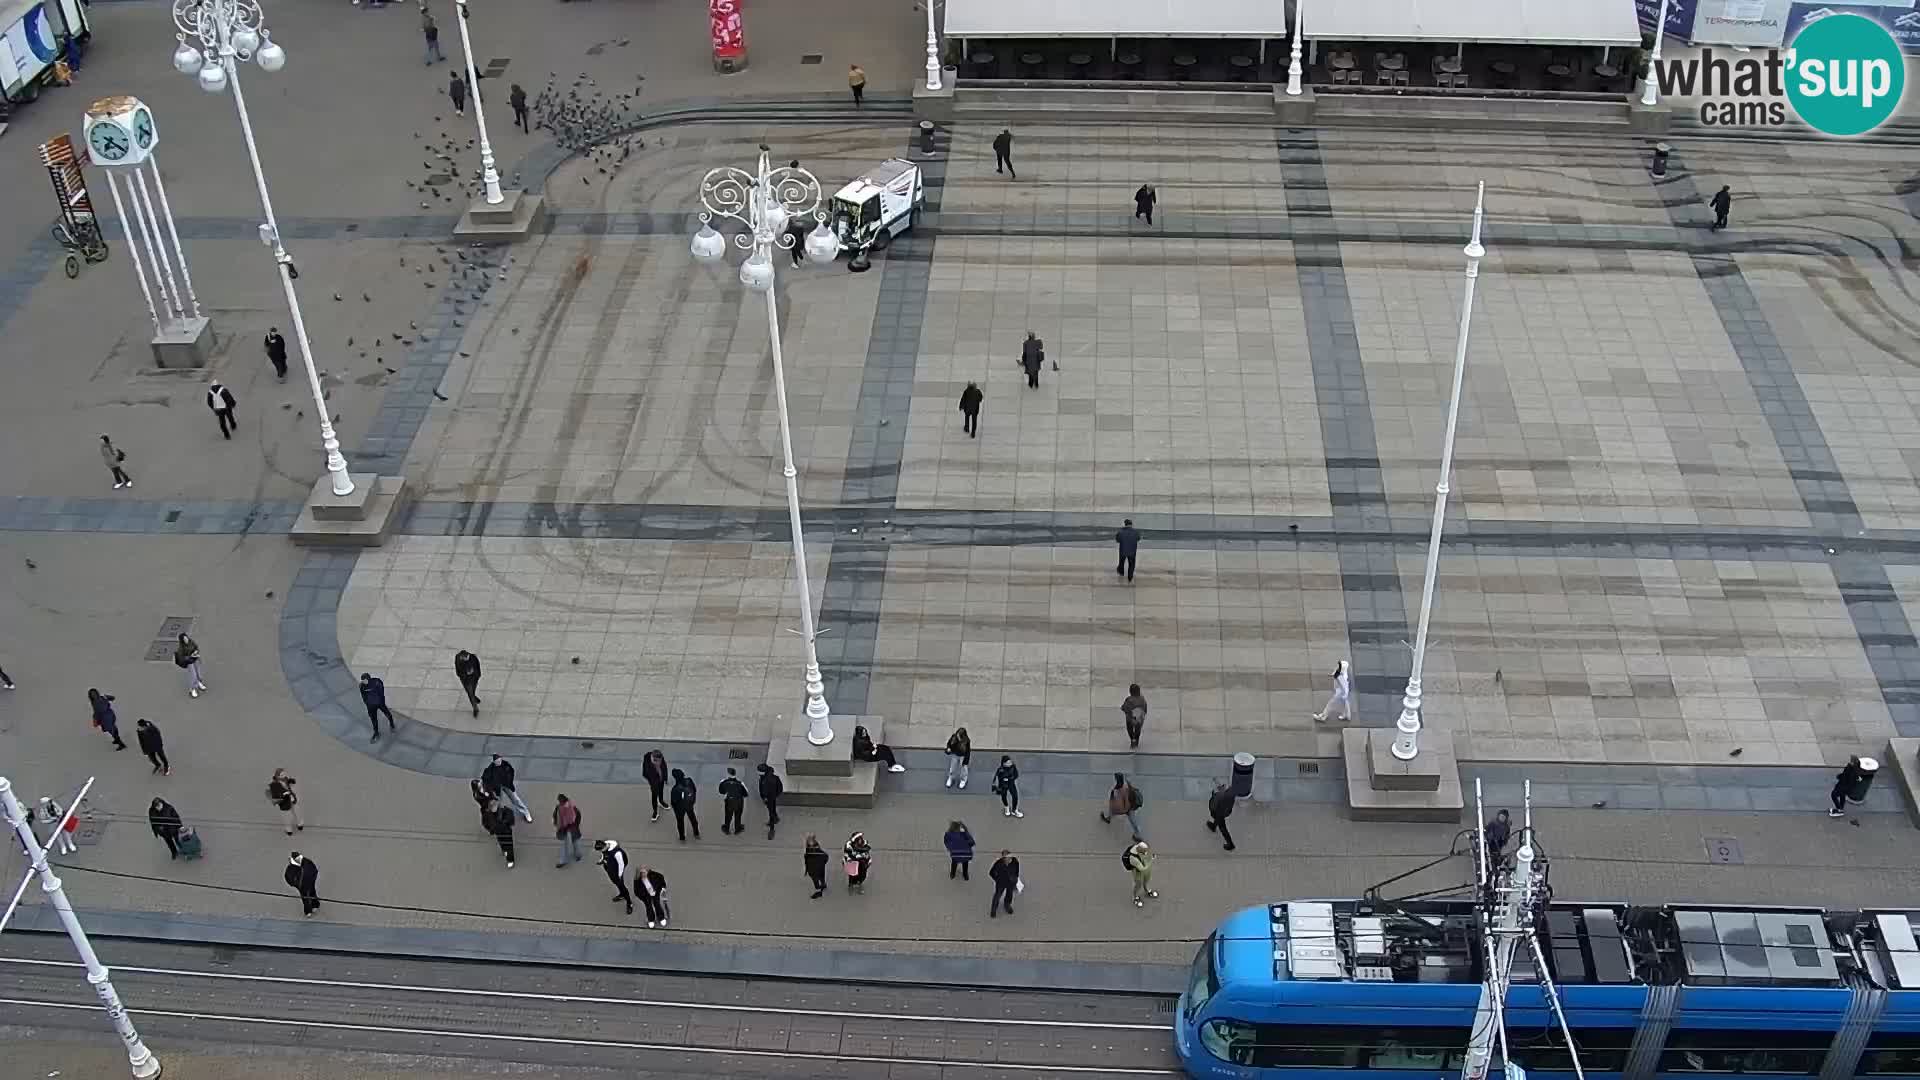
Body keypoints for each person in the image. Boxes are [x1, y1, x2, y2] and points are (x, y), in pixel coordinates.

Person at [483, 753, 533, 822]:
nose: (498, 762)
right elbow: (485, 779)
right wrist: (487, 790)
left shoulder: (506, 764)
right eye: (497, 761)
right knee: (497, 803)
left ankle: (526, 813)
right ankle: (498, 818)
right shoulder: (490, 769)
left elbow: (511, 772)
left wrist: (510, 781)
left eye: (499, 760)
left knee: (516, 799)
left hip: (507, 785)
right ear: (494, 762)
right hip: (497, 788)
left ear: (501, 759)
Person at [1099, 772, 1144, 840]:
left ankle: (1137, 834)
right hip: (1129, 806)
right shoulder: (1125, 784)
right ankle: (1137, 834)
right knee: (1132, 820)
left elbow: (1123, 801)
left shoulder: (1121, 789)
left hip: (1126, 807)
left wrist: (1124, 809)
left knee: (1131, 819)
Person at [596, 839, 632, 914]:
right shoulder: (605, 847)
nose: (601, 851)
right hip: (610, 868)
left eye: (601, 850)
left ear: (605, 846)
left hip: (617, 871)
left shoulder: (616, 853)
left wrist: (619, 875)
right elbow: (603, 854)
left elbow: (621, 864)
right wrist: (602, 860)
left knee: (622, 886)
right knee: (615, 883)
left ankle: (629, 903)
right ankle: (622, 894)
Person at [1312, 659, 1352, 723]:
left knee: (1330, 704)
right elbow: (1335, 673)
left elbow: (1345, 687)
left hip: (1340, 692)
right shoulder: (1342, 672)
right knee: (1345, 703)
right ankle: (1347, 715)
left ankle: (1323, 716)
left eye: (1339, 665)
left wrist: (1345, 694)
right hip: (1340, 692)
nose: (1338, 666)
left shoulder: (1341, 676)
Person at [360, 672, 395, 741]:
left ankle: (392, 724)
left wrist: (381, 702)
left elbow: (382, 693)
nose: (363, 682)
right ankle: (376, 732)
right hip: (371, 706)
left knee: (387, 713)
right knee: (373, 720)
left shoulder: (377, 682)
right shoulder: (362, 686)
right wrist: (367, 704)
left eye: (364, 680)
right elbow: (363, 696)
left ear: (368, 679)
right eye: (362, 680)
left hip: (380, 704)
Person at [267, 768, 303, 835]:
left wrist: (292, 782)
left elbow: (291, 786)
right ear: (278, 776)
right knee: (287, 816)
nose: (284, 775)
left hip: (292, 798)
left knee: (297, 812)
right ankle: (288, 829)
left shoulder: (286, 779)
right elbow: (275, 794)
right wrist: (284, 794)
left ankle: (300, 823)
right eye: (282, 774)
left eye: (284, 773)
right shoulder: (274, 784)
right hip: (285, 802)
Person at [1124, 839, 1157, 907]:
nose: (1146, 852)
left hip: (1145, 865)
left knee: (1147, 879)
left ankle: (1147, 890)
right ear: (1139, 849)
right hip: (1137, 871)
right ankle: (1135, 897)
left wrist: (1146, 859)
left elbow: (1144, 858)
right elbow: (1142, 869)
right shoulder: (1133, 858)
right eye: (1144, 851)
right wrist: (1151, 860)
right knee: (1138, 884)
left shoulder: (1138, 847)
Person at [285, 852, 321, 917]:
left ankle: (315, 904)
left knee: (312, 892)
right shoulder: (291, 867)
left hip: (310, 882)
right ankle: (308, 911)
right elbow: (288, 876)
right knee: (305, 898)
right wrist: (295, 884)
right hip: (301, 886)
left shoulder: (307, 862)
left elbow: (315, 870)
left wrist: (313, 879)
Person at [1206, 779, 1237, 852]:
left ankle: (1230, 844)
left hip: (1219, 812)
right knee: (1219, 820)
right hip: (1224, 811)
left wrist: (1212, 811)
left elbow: (1213, 805)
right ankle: (1213, 826)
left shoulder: (1219, 796)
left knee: (1222, 828)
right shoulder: (1230, 795)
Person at [669, 768, 700, 841]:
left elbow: (673, 801)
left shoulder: (675, 789)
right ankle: (696, 833)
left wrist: (674, 808)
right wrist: (692, 801)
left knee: (680, 822)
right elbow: (694, 790)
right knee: (693, 819)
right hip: (689, 805)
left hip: (680, 808)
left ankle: (682, 837)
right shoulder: (689, 780)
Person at [553, 794, 583, 867]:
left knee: (573, 840)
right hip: (567, 827)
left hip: (569, 826)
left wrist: (557, 824)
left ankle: (573, 856)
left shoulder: (563, 807)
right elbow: (578, 816)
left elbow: (555, 816)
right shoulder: (570, 807)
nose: (560, 803)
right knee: (572, 841)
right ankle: (574, 856)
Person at [635, 864, 669, 928]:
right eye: (641, 873)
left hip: (655, 893)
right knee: (649, 907)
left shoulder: (654, 875)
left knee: (657, 905)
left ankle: (661, 918)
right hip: (646, 896)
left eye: (644, 872)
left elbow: (661, 878)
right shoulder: (637, 881)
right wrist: (642, 897)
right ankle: (651, 920)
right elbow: (636, 891)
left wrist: (663, 887)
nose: (643, 874)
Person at [989, 849, 1020, 917]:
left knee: (1009, 895)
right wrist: (997, 880)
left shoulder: (1015, 862)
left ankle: (1007, 905)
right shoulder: (998, 863)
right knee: (997, 896)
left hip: (1010, 883)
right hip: (1001, 883)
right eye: (1004, 858)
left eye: (1008, 857)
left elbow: (1017, 871)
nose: (1006, 859)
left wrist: (1015, 878)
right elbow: (991, 873)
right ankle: (993, 910)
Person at [175, 633, 208, 698]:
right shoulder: (181, 648)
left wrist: (196, 652)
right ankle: (192, 689)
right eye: (184, 639)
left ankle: (199, 682)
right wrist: (190, 656)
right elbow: (181, 658)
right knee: (193, 675)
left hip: (195, 659)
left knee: (198, 673)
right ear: (182, 640)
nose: (186, 639)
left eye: (186, 638)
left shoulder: (191, 642)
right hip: (189, 662)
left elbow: (196, 647)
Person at [718, 767, 748, 835]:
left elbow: (721, 791)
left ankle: (726, 829)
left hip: (729, 802)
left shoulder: (723, 782)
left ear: (728, 774)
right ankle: (737, 829)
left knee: (728, 815)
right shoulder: (740, 783)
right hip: (739, 802)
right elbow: (745, 794)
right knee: (738, 815)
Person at [642, 749, 669, 822]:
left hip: (661, 778)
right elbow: (646, 772)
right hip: (653, 780)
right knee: (654, 795)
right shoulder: (647, 760)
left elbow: (664, 767)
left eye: (660, 760)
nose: (660, 762)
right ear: (653, 758)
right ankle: (655, 812)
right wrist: (651, 781)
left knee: (661, 790)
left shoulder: (660, 758)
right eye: (658, 760)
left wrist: (665, 778)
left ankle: (661, 801)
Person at [488, 799, 517, 868]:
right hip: (499, 832)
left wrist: (503, 823)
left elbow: (511, 820)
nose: (493, 809)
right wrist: (492, 829)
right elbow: (489, 823)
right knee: (501, 842)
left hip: (506, 832)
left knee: (509, 846)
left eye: (494, 807)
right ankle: (504, 850)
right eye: (492, 808)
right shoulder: (490, 814)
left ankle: (510, 860)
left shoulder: (505, 811)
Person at [757, 763, 783, 839]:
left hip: (770, 798)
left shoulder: (771, 779)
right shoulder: (764, 777)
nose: (758, 772)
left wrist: (770, 797)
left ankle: (772, 829)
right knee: (772, 809)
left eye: (759, 771)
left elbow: (779, 789)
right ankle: (776, 818)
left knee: (770, 812)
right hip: (770, 798)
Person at [453, 650, 482, 716]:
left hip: (473, 678)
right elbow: (457, 669)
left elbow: (477, 667)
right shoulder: (457, 657)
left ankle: (474, 700)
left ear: (466, 657)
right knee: (469, 693)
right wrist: (463, 674)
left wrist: (477, 675)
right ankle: (475, 708)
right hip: (464, 679)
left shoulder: (473, 658)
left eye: (462, 658)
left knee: (472, 692)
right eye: (460, 657)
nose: (460, 659)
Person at [1121, 683, 1148, 748]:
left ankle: (1133, 740)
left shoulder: (1129, 699)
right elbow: (1145, 707)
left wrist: (1123, 708)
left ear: (1130, 691)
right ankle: (1136, 742)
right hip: (1139, 718)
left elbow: (1125, 708)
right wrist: (1144, 714)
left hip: (1130, 717)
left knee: (1130, 728)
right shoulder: (1142, 699)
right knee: (1137, 729)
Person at [803, 834, 829, 899]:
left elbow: (825, 856)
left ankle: (820, 890)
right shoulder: (810, 851)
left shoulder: (810, 851)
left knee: (817, 879)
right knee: (819, 878)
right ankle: (822, 886)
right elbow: (825, 856)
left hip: (816, 868)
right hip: (817, 868)